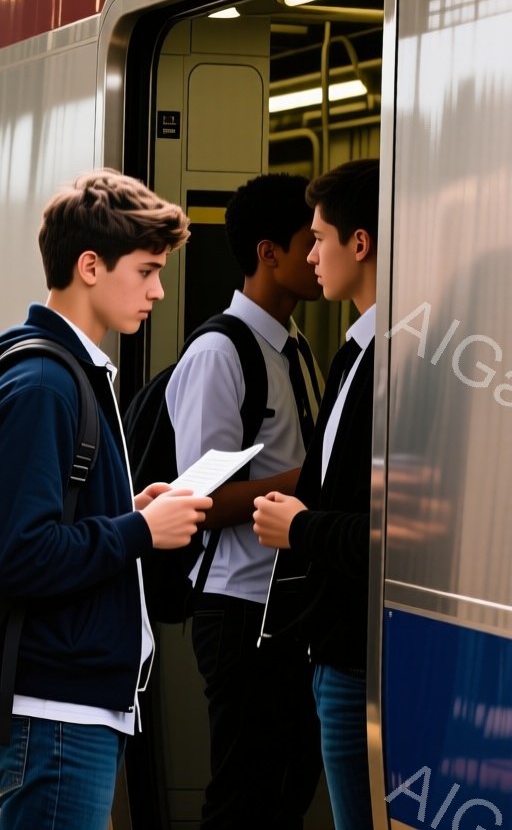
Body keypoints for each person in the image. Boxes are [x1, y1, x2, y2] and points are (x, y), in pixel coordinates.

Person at [0, 169, 208, 830]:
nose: (159, 289)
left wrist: (128, 508)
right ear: (91, 266)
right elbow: (17, 554)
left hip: (62, 703)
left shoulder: (61, 373)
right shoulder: (46, 384)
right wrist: (138, 531)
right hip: (54, 709)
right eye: (148, 269)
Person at [165, 174, 324, 829]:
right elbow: (197, 499)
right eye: (306, 241)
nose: (317, 257)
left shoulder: (299, 352)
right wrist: (309, 486)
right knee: (244, 796)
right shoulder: (219, 352)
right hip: (239, 613)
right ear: (268, 253)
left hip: (290, 611)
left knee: (288, 789)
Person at [253, 158, 380, 830]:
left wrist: (300, 529)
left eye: (321, 237)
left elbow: (401, 532)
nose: (312, 254)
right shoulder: (352, 352)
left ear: (360, 244)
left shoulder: (388, 357)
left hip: (361, 659)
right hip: (337, 649)